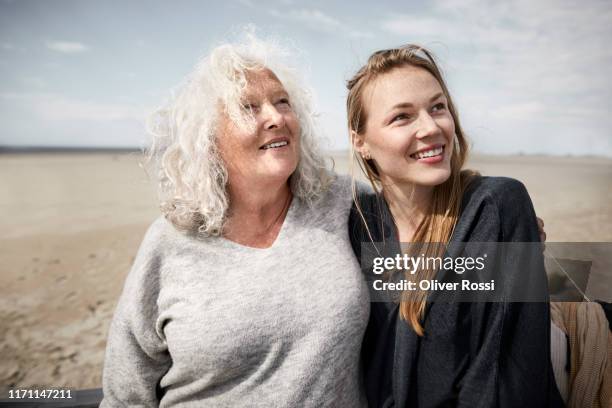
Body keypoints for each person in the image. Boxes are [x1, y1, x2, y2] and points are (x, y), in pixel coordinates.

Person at [100, 36, 369, 407]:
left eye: (282, 102)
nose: (275, 118)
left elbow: (423, 212)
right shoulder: (169, 241)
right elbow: (126, 390)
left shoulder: (343, 203)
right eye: (249, 108)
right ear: (210, 138)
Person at [346, 45, 564, 407]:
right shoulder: (358, 226)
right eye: (402, 117)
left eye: (438, 107)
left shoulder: (493, 207)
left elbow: (505, 376)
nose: (431, 128)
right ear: (361, 142)